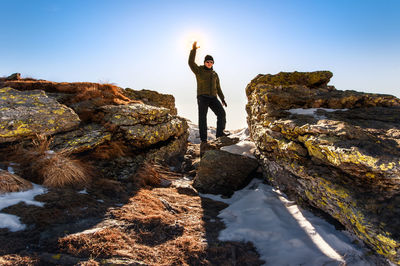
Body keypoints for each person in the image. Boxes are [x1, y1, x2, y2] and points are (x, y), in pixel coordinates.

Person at [188, 41, 227, 149]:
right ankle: (204, 140)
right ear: (205, 62)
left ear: (213, 63)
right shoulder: (199, 70)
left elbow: (218, 88)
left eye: (211, 62)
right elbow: (191, 62)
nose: (209, 63)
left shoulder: (215, 74)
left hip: (213, 97)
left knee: (221, 114)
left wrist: (222, 98)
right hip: (202, 97)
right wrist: (193, 50)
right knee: (202, 117)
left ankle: (219, 135)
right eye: (207, 61)